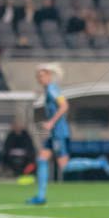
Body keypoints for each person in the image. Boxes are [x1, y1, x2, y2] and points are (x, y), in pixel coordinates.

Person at [27, 63, 71, 205]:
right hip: (53, 133)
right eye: (38, 76)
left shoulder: (52, 89)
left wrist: (51, 122)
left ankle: (99, 163)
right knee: (42, 159)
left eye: (42, 76)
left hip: (59, 133)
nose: (39, 79)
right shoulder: (48, 90)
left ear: (49, 76)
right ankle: (40, 197)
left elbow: (64, 106)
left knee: (64, 166)